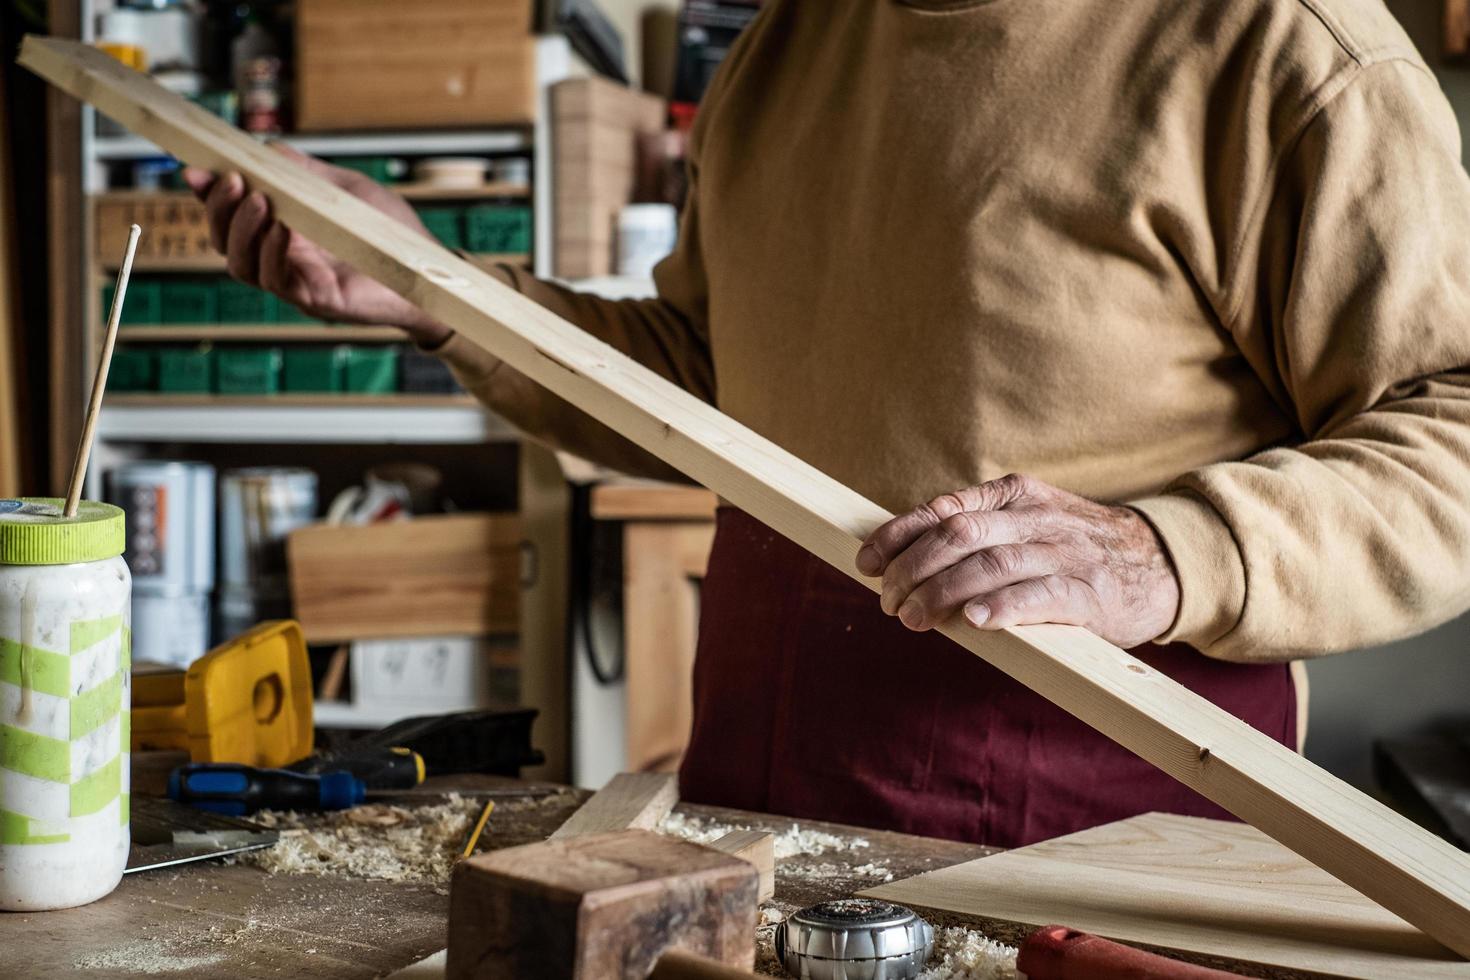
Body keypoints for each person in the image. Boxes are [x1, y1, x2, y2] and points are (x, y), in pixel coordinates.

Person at [186, 0, 1470, 847]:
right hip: (763, 792)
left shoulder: (1285, 50)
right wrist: (431, 289)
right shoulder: (785, 47)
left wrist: (1164, 551)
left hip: (1101, 825)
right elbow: (703, 378)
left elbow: (1452, 425)